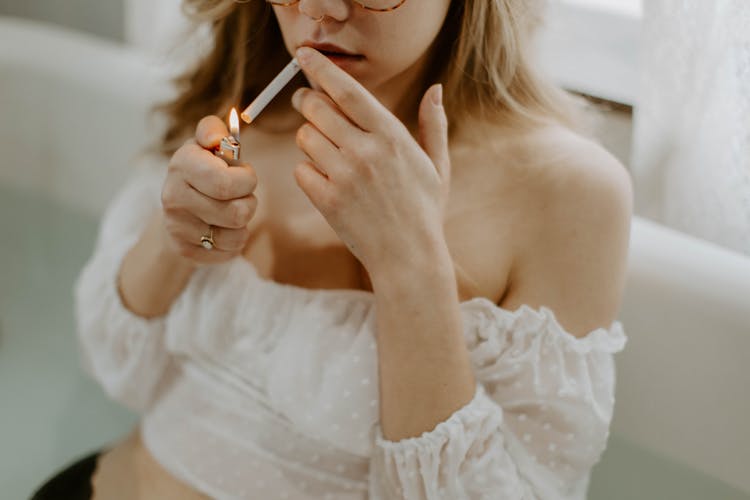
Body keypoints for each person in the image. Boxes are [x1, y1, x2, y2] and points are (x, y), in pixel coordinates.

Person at [33, 0, 633, 498]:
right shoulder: (234, 106)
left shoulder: (567, 191)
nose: (321, 9)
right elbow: (117, 372)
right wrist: (176, 240)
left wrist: (410, 265)